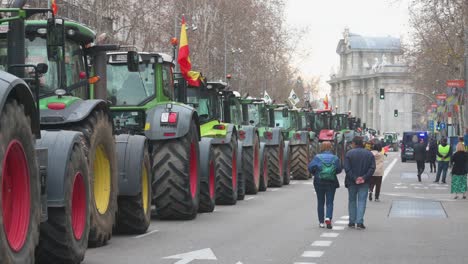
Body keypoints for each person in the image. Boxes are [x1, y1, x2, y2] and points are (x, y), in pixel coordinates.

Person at [308, 141, 342, 229]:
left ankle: (321, 222)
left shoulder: (317, 157)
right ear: (330, 147)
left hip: (319, 181)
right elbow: (339, 169)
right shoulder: (335, 158)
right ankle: (328, 218)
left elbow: (310, 168)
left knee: (320, 202)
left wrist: (315, 173)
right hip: (331, 182)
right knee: (330, 202)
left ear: (321, 147)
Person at [344, 136, 376, 230]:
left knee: (352, 201)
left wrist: (354, 178)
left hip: (351, 181)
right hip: (364, 182)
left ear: (354, 143)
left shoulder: (349, 153)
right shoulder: (369, 154)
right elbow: (372, 168)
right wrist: (364, 177)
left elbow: (347, 168)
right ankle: (359, 222)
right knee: (362, 201)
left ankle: (352, 221)